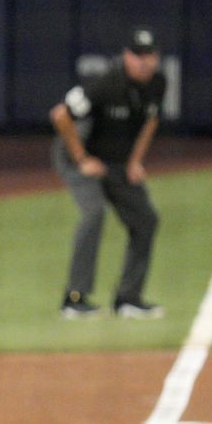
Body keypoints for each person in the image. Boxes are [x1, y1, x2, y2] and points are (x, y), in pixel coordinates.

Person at [51, 28, 167, 320]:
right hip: (79, 159)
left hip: (116, 162)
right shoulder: (106, 84)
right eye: (138, 56)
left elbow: (151, 121)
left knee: (145, 220)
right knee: (94, 213)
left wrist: (136, 161)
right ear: (127, 56)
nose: (144, 62)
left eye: (149, 56)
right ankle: (74, 298)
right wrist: (82, 158)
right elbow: (60, 115)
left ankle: (128, 298)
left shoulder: (158, 83)